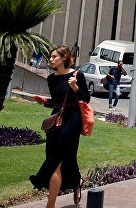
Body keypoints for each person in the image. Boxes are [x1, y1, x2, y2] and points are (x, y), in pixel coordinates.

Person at [29, 45, 90, 208]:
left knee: (58, 157)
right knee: (65, 158)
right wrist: (44, 101)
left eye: (54, 56)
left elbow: (86, 99)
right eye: (50, 57)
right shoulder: (51, 78)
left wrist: (75, 88)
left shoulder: (77, 75)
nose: (50, 59)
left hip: (73, 118)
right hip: (57, 119)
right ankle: (77, 182)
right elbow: (56, 102)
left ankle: (50, 203)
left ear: (64, 58)